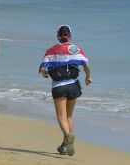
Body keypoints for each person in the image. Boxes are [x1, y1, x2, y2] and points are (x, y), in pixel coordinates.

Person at [39, 25, 92, 156]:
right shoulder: (76, 49)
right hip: (74, 85)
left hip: (59, 86)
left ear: (58, 36)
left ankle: (68, 137)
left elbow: (43, 69)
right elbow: (85, 64)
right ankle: (66, 146)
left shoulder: (52, 50)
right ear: (70, 36)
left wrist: (45, 74)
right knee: (69, 116)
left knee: (61, 116)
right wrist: (88, 77)